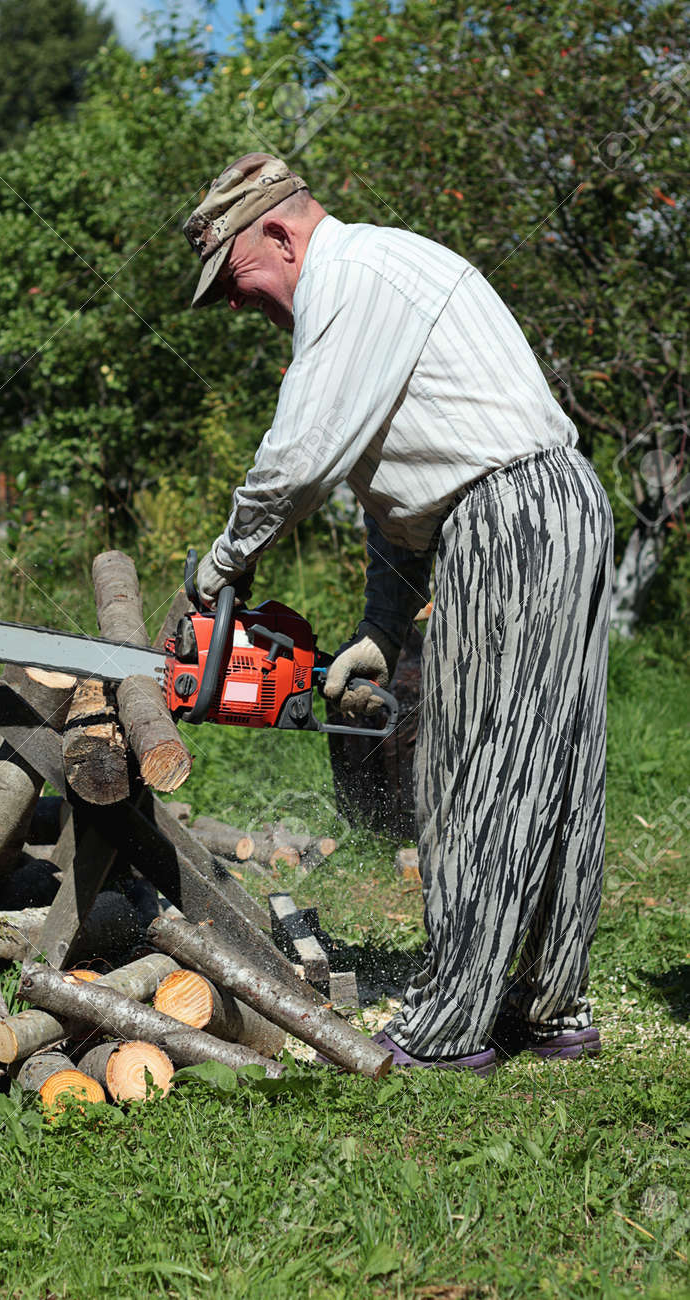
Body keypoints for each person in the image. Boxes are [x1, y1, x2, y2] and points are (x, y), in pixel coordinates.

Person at [183, 153, 614, 1074]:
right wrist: (381, 630)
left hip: (506, 519)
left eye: (233, 278)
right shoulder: (378, 274)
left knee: (471, 772)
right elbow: (395, 500)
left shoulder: (350, 278)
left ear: (279, 232)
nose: (234, 302)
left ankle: (449, 1028)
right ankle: (546, 1004)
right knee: (554, 764)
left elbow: (299, 459)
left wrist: (220, 567)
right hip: (549, 503)